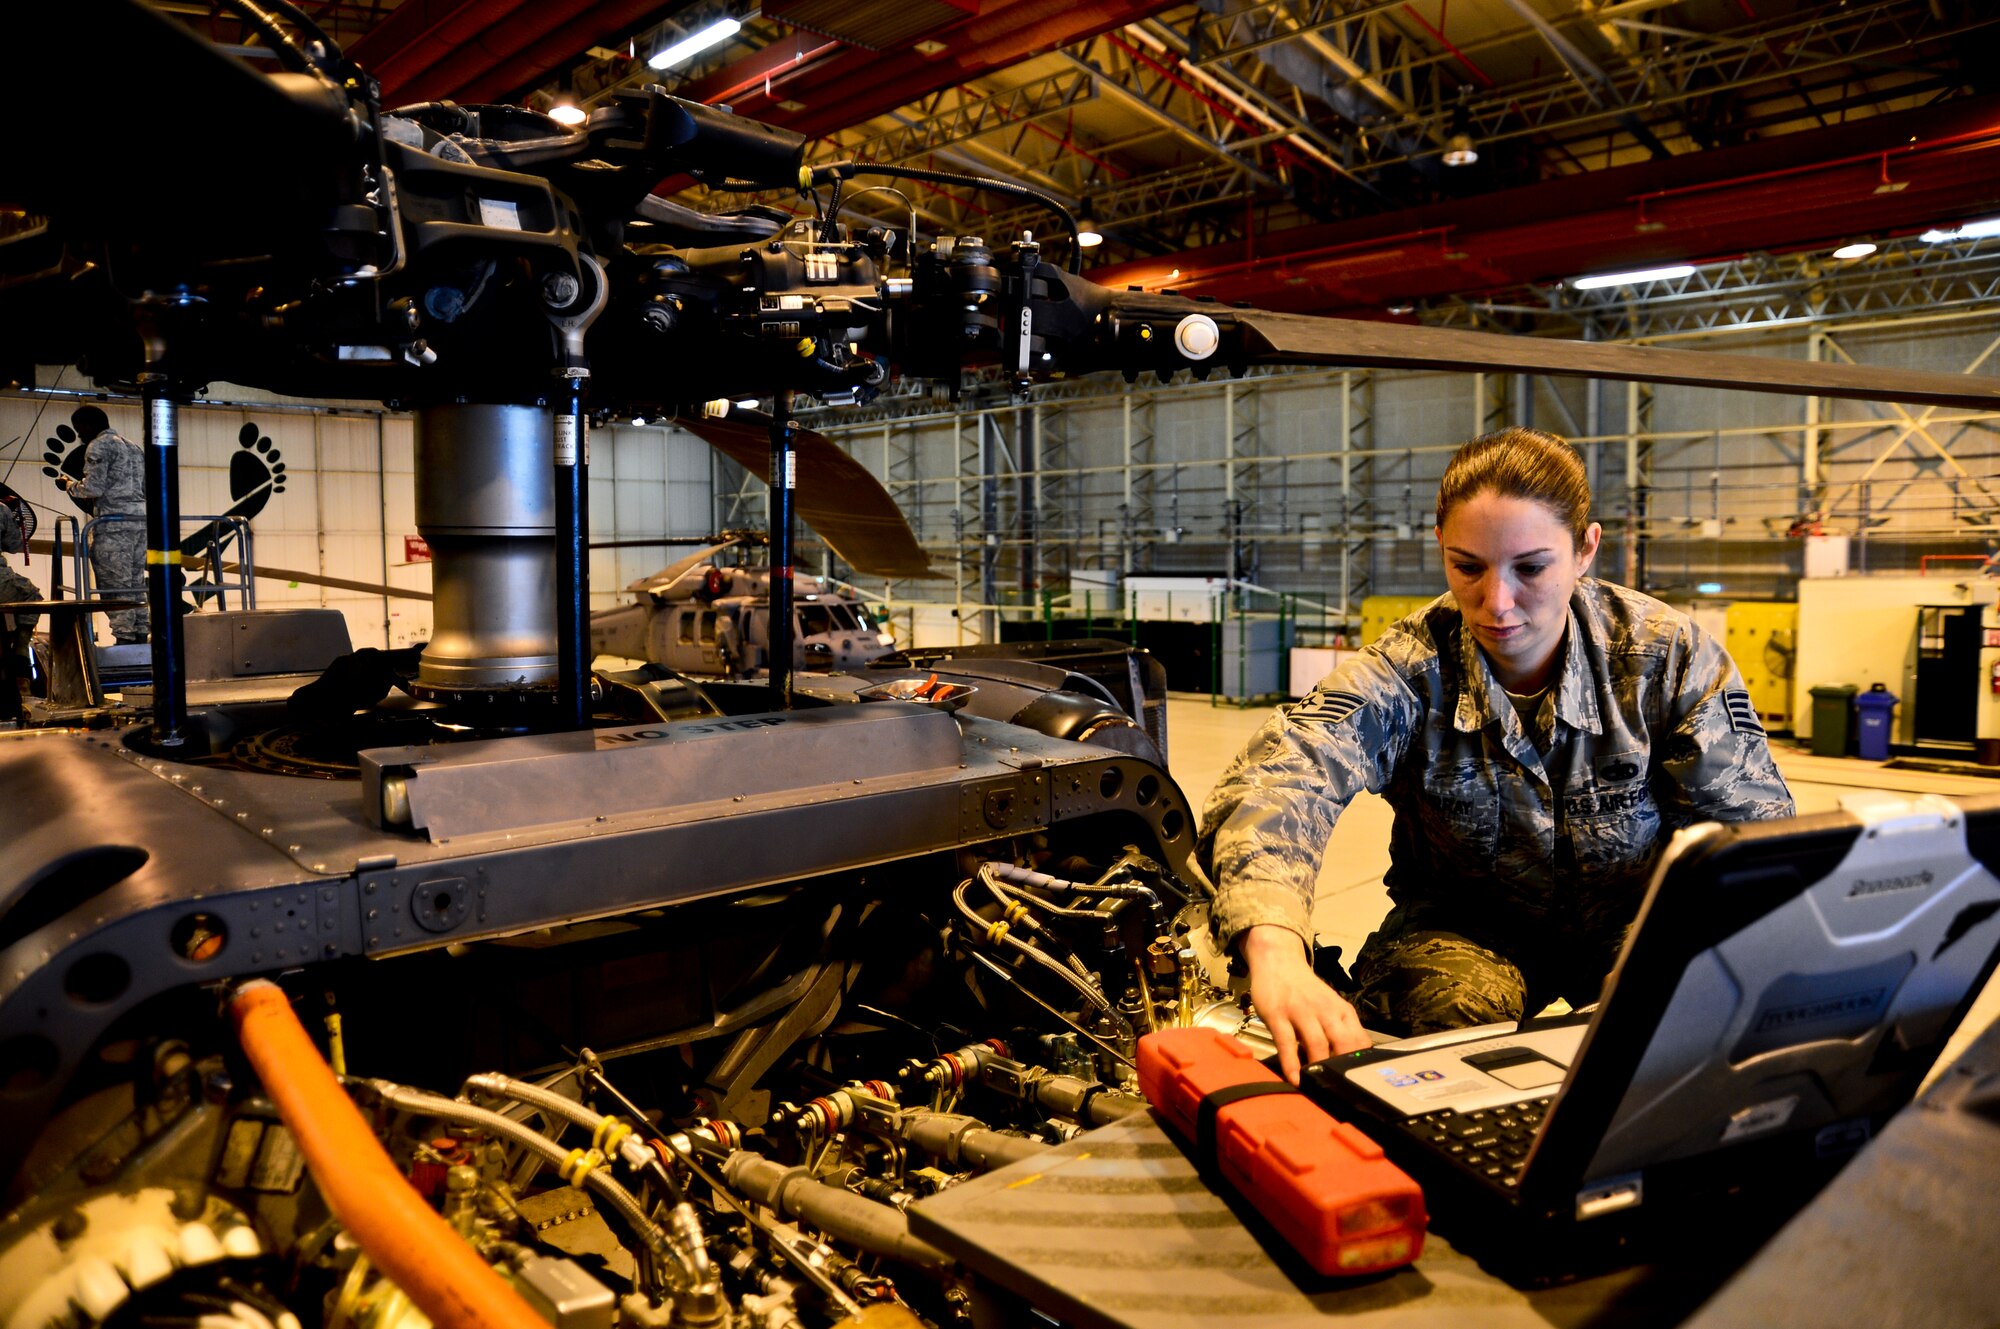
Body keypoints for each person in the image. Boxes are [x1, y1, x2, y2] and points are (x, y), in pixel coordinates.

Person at [1197, 428, 1794, 1082]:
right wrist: (1276, 947)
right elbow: (1284, 776)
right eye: (1468, 566)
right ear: (1442, 550)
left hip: (1637, 927)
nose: (1497, 602)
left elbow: (1751, 836)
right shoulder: (1407, 670)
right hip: (1465, 931)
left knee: (1710, 1024)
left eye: (1531, 568)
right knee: (1420, 1043)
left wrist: (1676, 950)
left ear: (1585, 549)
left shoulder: (1666, 656)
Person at [57, 406, 149, 644]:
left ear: (89, 424)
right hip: (139, 523)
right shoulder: (134, 448)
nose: (79, 434)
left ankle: (124, 639)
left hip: (113, 525)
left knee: (114, 585)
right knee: (135, 583)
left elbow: (92, 488)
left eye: (80, 429)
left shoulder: (99, 445)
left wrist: (69, 485)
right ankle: (140, 635)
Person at [1, 490, 39, 719]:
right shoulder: (1, 509)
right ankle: (21, 649)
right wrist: (14, 517)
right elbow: (15, 544)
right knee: (31, 595)